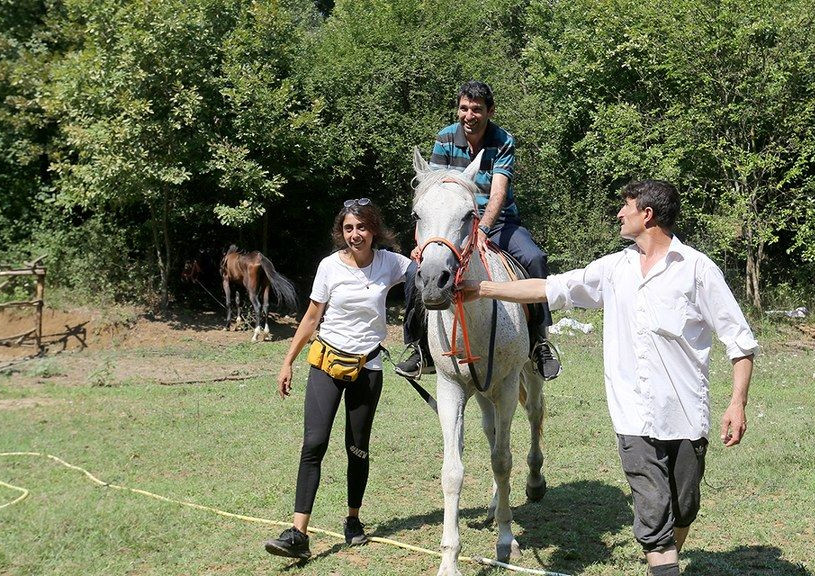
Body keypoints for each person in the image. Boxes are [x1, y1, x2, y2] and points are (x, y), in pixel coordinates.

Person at [460, 180, 758, 576]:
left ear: (647, 215)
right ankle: (662, 560)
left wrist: (737, 402)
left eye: (627, 206)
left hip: (686, 415)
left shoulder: (698, 270)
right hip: (634, 416)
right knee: (653, 518)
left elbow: (739, 342)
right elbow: (550, 287)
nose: (620, 213)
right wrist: (483, 288)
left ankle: (666, 556)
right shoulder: (614, 269)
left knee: (683, 508)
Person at [263, 199, 411, 560]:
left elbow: (426, 270)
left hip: (368, 368)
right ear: (340, 232)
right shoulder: (329, 266)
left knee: (357, 447)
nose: (354, 235)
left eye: (361, 227)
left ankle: (353, 520)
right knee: (314, 444)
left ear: (373, 230)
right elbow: (312, 318)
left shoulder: (390, 263)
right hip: (326, 364)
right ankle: (298, 533)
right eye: (348, 228)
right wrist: (287, 362)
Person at [395, 80, 561, 381]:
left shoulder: (503, 141)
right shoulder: (445, 138)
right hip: (452, 226)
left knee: (535, 259)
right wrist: (425, 241)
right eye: (463, 108)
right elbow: (433, 193)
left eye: (476, 110)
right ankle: (419, 348)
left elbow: (498, 192)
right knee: (412, 273)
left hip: (498, 223)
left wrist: (482, 229)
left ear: (489, 111)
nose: (469, 115)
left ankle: (539, 342)